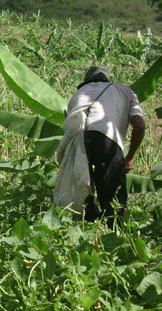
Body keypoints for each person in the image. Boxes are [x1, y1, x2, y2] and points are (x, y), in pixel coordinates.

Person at [54, 66, 145, 226]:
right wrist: (129, 156)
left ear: (86, 81)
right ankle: (112, 231)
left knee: (81, 185)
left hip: (77, 139)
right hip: (106, 139)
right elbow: (140, 125)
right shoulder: (125, 91)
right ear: (107, 80)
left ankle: (86, 226)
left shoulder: (77, 95)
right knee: (113, 191)